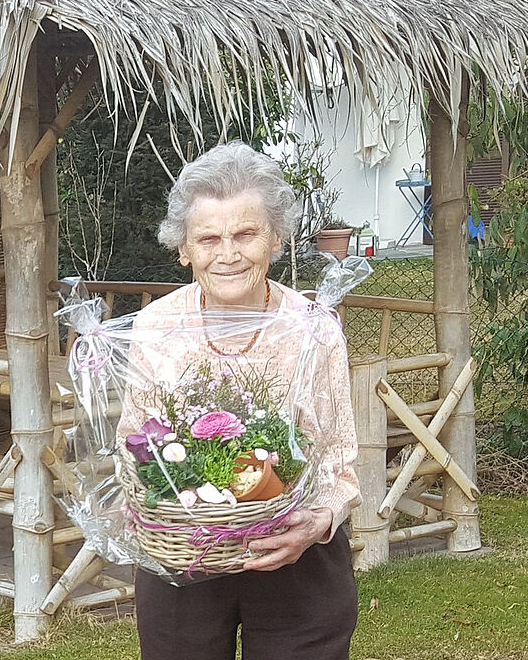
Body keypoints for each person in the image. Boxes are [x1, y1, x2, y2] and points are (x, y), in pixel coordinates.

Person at [126, 142, 360, 660]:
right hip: (183, 554)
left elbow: (340, 460)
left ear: (276, 239)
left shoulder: (313, 328)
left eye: (246, 233)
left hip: (295, 556)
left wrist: (317, 522)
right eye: (208, 238)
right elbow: (134, 446)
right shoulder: (156, 326)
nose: (227, 253)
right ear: (183, 249)